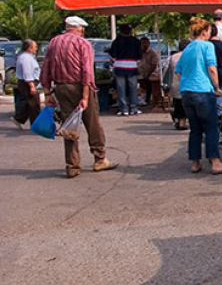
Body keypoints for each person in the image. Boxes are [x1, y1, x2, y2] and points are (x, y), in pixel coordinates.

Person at [40, 16, 118, 178]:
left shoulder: (53, 42)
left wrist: (47, 92)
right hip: (80, 86)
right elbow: (87, 72)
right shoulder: (83, 44)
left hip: (61, 87)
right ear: (81, 28)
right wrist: (84, 95)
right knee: (93, 123)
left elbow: (45, 67)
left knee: (69, 127)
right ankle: (99, 158)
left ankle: (72, 165)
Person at [174, 17, 222, 175]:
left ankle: (195, 163)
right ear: (205, 31)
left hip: (186, 92)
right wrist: (216, 87)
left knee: (195, 129)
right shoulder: (207, 46)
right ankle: (215, 163)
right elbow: (212, 69)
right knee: (211, 127)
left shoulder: (186, 49)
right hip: (202, 91)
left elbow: (178, 71)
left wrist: (187, 82)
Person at [108, 23, 142, 116]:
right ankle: (134, 108)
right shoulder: (136, 41)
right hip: (132, 66)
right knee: (133, 88)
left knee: (121, 88)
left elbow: (113, 55)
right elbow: (139, 56)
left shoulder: (116, 41)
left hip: (119, 66)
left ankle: (123, 109)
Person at [11, 39, 40, 129]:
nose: (36, 49)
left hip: (27, 82)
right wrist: (31, 86)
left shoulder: (26, 57)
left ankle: (19, 118)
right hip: (27, 83)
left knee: (29, 104)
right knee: (34, 105)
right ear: (29, 48)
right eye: (34, 47)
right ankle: (37, 125)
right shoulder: (26, 58)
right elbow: (27, 72)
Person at [163, 38, 190, 130]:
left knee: (176, 102)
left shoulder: (171, 58)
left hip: (173, 84)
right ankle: (182, 121)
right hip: (186, 84)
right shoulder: (190, 57)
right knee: (184, 104)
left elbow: (165, 71)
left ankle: (177, 119)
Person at [138, 37, 161, 108]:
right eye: (142, 43)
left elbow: (154, 65)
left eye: (145, 43)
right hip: (141, 73)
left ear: (148, 44)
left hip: (152, 73)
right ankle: (139, 98)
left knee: (149, 82)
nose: (143, 45)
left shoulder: (153, 53)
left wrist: (147, 74)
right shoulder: (139, 53)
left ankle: (147, 99)